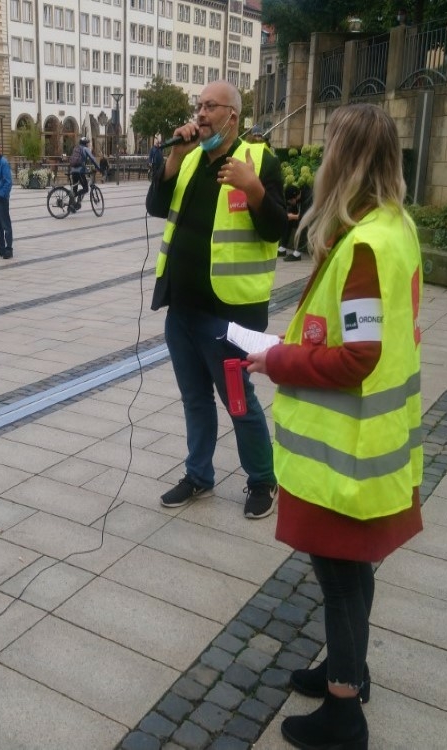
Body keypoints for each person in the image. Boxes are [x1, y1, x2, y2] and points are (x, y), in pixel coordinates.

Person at [245, 103, 424, 750]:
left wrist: (276, 360)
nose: (319, 160)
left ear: (343, 160)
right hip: (367, 442)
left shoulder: (368, 246)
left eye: (328, 148)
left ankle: (345, 709)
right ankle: (348, 669)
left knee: (342, 577)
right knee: (351, 573)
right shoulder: (391, 225)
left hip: (346, 454)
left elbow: (358, 357)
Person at [145, 79, 286, 520]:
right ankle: (199, 475)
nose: (201, 114)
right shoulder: (189, 160)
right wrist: (172, 157)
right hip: (181, 308)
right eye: (198, 106)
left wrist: (254, 189)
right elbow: (155, 205)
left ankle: (263, 479)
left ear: (232, 116)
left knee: (237, 400)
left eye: (211, 107)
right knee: (194, 399)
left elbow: (278, 228)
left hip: (226, 315)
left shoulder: (259, 160)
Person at [281, 183, 312, 262]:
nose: (290, 203)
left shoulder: (309, 197)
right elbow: (294, 212)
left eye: (290, 201)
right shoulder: (298, 198)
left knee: (303, 224)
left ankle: (297, 254)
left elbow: (306, 216)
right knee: (288, 220)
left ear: (294, 198)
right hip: (303, 217)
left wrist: (292, 216)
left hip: (314, 220)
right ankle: (282, 248)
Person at [69, 136, 100, 209]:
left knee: (74, 190)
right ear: (86, 144)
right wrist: (99, 168)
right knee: (85, 189)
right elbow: (92, 159)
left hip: (73, 170)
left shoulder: (76, 148)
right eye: (88, 143)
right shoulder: (85, 149)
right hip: (80, 171)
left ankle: (71, 207)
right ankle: (78, 201)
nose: (88, 145)